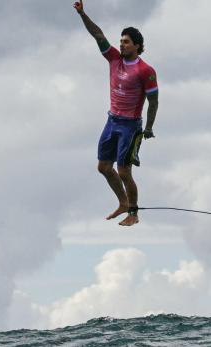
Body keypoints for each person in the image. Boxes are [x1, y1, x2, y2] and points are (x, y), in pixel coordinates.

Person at [74, 0, 159, 226]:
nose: (122, 45)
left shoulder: (146, 71)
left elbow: (154, 101)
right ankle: (122, 202)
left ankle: (133, 212)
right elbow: (98, 35)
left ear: (138, 46)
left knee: (123, 171)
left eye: (127, 42)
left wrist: (149, 127)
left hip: (131, 126)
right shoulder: (113, 59)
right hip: (112, 121)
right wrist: (83, 14)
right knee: (103, 167)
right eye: (121, 41)